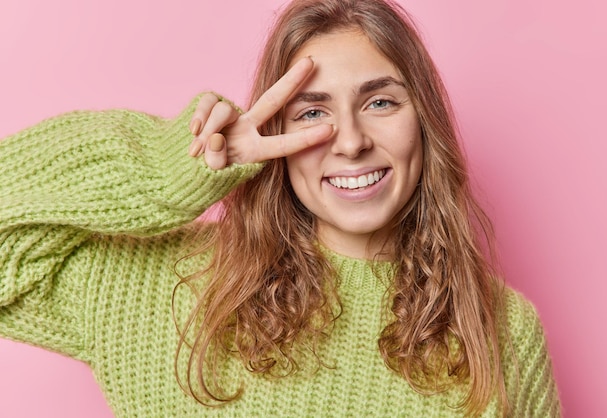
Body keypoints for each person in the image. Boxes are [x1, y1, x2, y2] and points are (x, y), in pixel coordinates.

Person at [0, 0, 560, 416]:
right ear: (274, 135)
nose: (349, 141)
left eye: (380, 101)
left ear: (425, 125)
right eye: (312, 113)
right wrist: (171, 170)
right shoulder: (163, 289)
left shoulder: (502, 332)